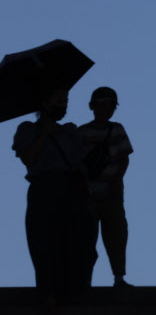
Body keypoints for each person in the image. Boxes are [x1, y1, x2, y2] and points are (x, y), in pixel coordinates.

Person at [12, 86, 97, 307]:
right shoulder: (27, 129)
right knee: (43, 244)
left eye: (66, 99)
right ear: (44, 102)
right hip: (43, 188)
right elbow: (29, 158)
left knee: (77, 243)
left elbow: (78, 162)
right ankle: (49, 295)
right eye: (59, 98)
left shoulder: (69, 130)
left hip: (70, 189)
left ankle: (71, 290)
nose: (64, 103)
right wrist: (45, 130)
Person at [78, 87, 134, 287]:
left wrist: (116, 183)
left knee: (116, 238)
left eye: (111, 106)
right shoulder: (82, 132)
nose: (108, 110)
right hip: (92, 195)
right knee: (87, 240)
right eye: (104, 105)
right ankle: (86, 281)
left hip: (110, 194)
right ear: (93, 106)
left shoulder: (113, 129)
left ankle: (118, 277)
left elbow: (124, 161)